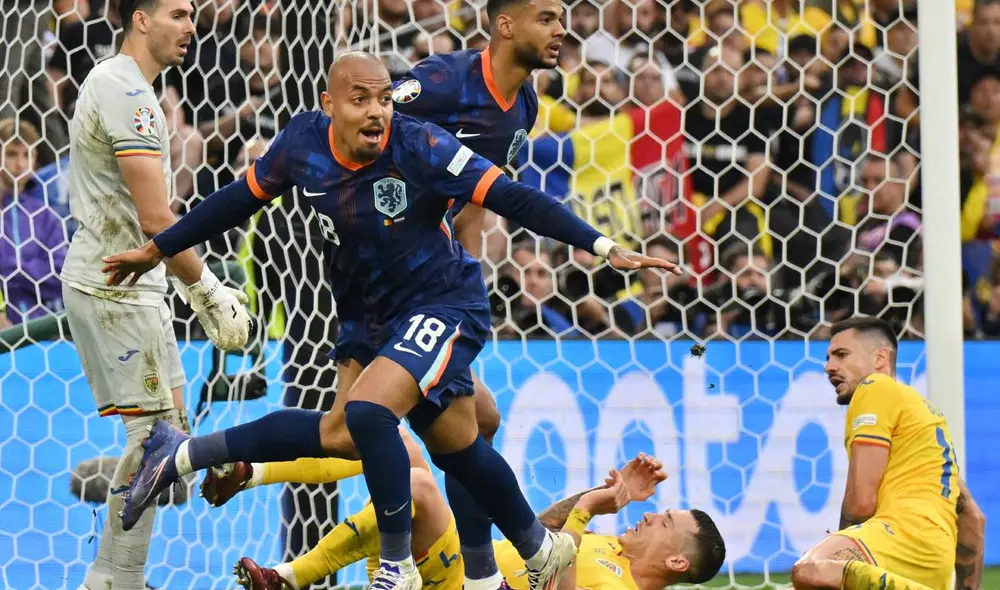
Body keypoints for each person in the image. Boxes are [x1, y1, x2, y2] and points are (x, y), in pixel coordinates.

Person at [102, 51, 680, 590]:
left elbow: (515, 198)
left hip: (441, 303)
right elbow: (234, 200)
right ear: (329, 105)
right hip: (368, 313)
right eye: (360, 99)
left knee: (372, 412)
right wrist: (159, 251)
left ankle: (401, 566)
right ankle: (180, 455)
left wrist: (602, 246)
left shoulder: (422, 144)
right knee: (393, 436)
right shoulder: (301, 145)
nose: (376, 110)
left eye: (383, 98)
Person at [205, 1, 567, 583]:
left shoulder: (521, 107)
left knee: (450, 424)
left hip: (432, 286)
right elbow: (365, 111)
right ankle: (427, 567)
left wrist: (459, 279)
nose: (561, 30)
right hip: (383, 277)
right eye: (548, 17)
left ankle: (478, 570)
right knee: (368, 431)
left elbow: (475, 197)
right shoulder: (437, 84)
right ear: (506, 25)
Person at [59, 0, 253, 588]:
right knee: (153, 441)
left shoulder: (124, 85)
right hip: (113, 284)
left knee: (171, 439)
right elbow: (154, 217)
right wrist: (208, 290)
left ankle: (121, 575)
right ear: (140, 19)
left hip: (132, 286)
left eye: (192, 14)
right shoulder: (128, 93)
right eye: (177, 13)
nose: (190, 26)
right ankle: (113, 579)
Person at [221, 449, 725, 590]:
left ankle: (290, 578)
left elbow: (557, 579)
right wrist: (602, 495)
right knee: (396, 448)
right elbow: (541, 533)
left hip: (466, 583)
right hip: (455, 571)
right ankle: (251, 474)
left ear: (678, 560)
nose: (651, 516)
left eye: (663, 522)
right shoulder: (611, 548)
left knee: (419, 483)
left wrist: (589, 509)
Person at [789, 317, 987, 590]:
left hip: (902, 536)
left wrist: (841, 545)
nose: (829, 367)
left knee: (811, 570)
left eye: (841, 355)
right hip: (933, 559)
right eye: (828, 357)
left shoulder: (874, 388)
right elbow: (973, 519)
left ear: (880, 358)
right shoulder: (920, 414)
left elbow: (861, 504)